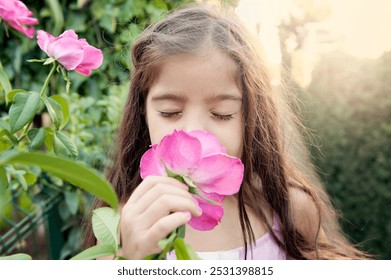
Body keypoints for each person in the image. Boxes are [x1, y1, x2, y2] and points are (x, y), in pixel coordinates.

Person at [85, 3, 368, 260]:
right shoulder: (123, 223)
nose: (194, 132)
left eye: (222, 114)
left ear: (251, 117)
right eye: (170, 112)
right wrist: (131, 259)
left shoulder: (290, 211)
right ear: (142, 113)